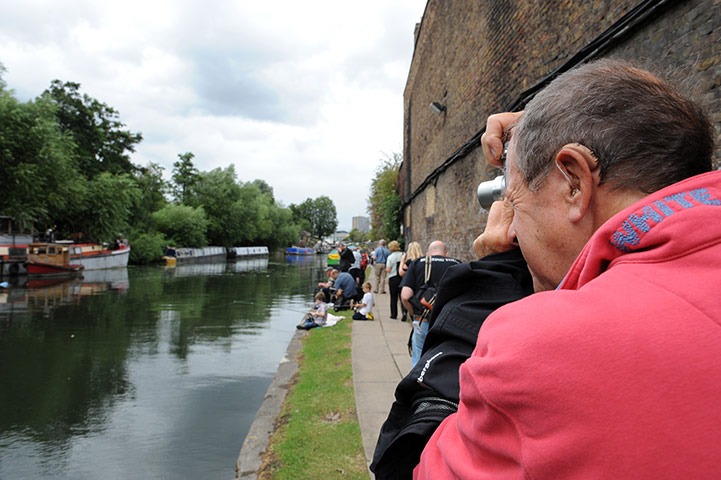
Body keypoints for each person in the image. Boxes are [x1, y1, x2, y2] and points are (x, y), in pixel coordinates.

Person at [416, 59, 721, 479]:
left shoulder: (545, 345)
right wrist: (549, 126)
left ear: (574, 182)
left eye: (515, 201)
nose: (514, 229)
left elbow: (409, 464)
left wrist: (490, 278)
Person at [400, 241, 460, 366]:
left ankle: (418, 383)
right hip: (449, 323)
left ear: (428, 254)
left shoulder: (417, 263)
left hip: (423, 321)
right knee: (445, 360)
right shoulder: (457, 264)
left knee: (419, 358)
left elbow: (405, 296)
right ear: (446, 253)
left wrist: (414, 315)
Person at [397, 241, 422, 322]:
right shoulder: (422, 261)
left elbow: (401, 272)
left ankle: (406, 312)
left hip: (410, 284)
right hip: (419, 285)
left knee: (405, 298)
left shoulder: (409, 262)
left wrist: (402, 261)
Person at [384, 241, 404, 319]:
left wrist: (387, 269)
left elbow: (388, 269)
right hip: (402, 277)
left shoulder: (390, 257)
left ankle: (394, 314)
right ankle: (404, 313)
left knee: (393, 297)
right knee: (402, 296)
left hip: (393, 277)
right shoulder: (403, 255)